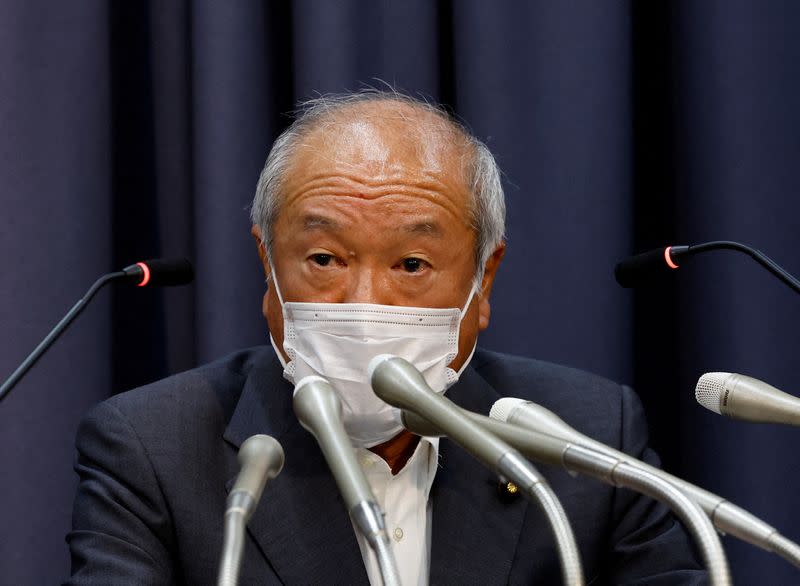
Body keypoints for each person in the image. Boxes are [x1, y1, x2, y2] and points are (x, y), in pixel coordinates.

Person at [67, 92, 707, 584]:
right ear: (268, 267)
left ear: (483, 282)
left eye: (411, 265)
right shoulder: (152, 449)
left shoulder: (586, 438)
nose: (364, 306)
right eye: (324, 259)